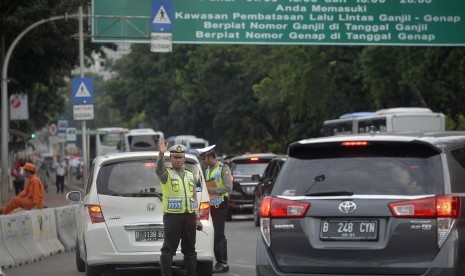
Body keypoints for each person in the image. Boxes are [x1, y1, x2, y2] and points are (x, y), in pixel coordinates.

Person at [156, 137, 203, 276]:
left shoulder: (190, 175)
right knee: (168, 250)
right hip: (173, 217)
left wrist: (197, 217)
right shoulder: (166, 174)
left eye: (181, 157)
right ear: (171, 158)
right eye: (175, 157)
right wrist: (161, 154)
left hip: (189, 216)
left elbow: (193, 197)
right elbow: (159, 169)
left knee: (190, 249)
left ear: (184, 158)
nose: (178, 160)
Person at [197, 145, 232, 273]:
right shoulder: (207, 170)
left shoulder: (223, 168)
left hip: (220, 204)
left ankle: (223, 263)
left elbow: (228, 187)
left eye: (204, 158)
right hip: (211, 205)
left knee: (218, 234)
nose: (202, 161)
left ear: (210, 157)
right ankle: (218, 261)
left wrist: (211, 190)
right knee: (213, 233)